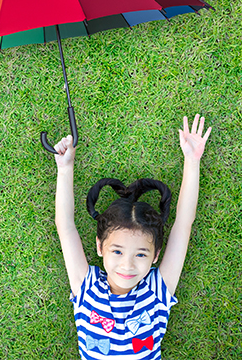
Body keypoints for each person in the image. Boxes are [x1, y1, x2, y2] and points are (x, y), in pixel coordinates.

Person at [54, 114, 211, 359]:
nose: (127, 265)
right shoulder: (87, 287)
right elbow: (65, 227)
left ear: (156, 255)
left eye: (140, 254)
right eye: (117, 251)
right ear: (99, 247)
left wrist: (193, 162)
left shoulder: (157, 290)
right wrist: (65, 169)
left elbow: (183, 224)